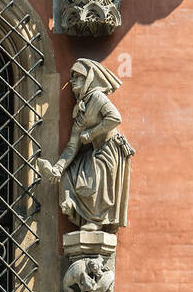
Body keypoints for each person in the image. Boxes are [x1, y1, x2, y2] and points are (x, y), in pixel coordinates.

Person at [39, 58, 134, 229]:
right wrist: (58, 168)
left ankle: (96, 221)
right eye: (72, 77)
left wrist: (91, 133)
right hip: (96, 151)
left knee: (93, 174)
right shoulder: (80, 110)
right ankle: (70, 204)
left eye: (78, 77)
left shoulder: (97, 97)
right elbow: (72, 146)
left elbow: (115, 118)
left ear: (88, 78)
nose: (72, 80)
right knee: (69, 174)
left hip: (109, 150)